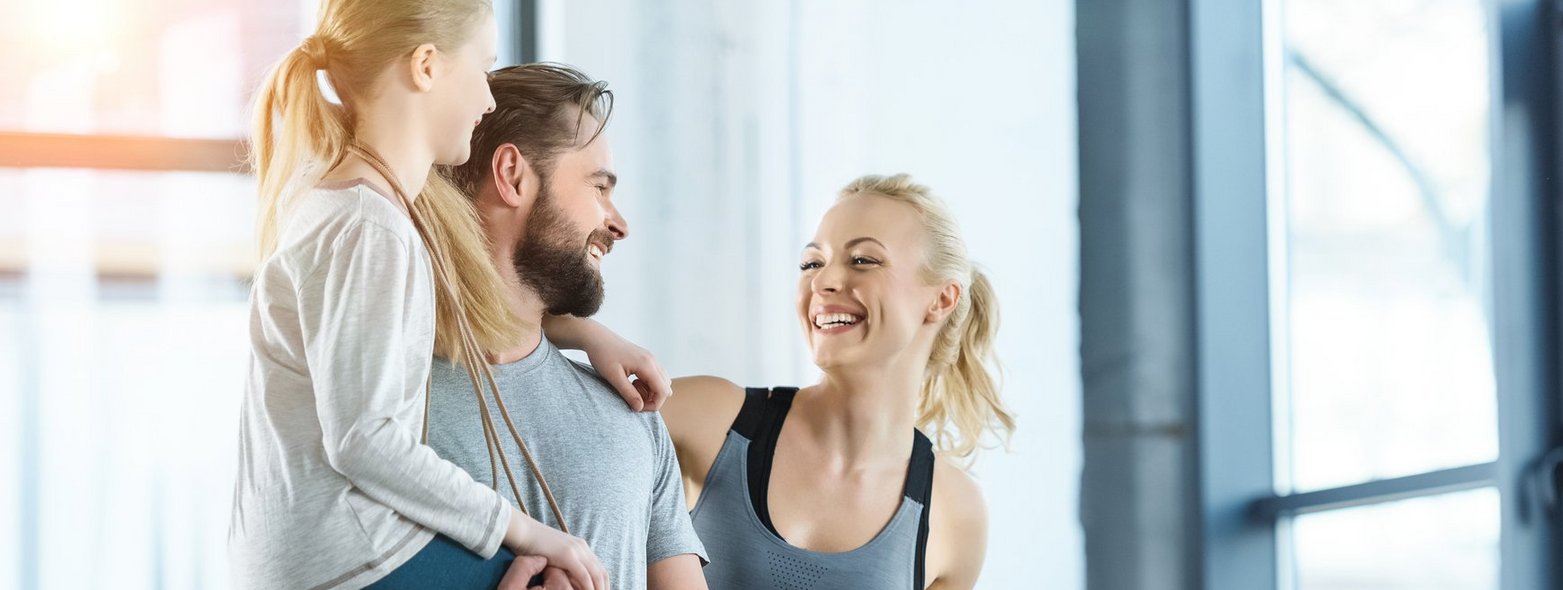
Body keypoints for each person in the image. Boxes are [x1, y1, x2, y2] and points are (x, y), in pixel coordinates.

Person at [232, 2, 664, 588]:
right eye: (483, 68)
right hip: (355, 558)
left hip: (313, 553)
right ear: (427, 66)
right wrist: (527, 531)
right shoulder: (371, 225)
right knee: (559, 575)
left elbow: (421, 312)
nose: (487, 99)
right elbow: (365, 438)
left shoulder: (345, 203)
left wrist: (581, 329)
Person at [424, 62, 709, 590]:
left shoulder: (630, 411)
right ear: (512, 175)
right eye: (599, 187)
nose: (619, 223)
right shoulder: (379, 416)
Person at [661, 174, 1014, 590]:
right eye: (812, 263)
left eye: (863, 260)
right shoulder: (706, 417)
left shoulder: (954, 513)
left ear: (941, 299)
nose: (823, 281)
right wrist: (590, 338)